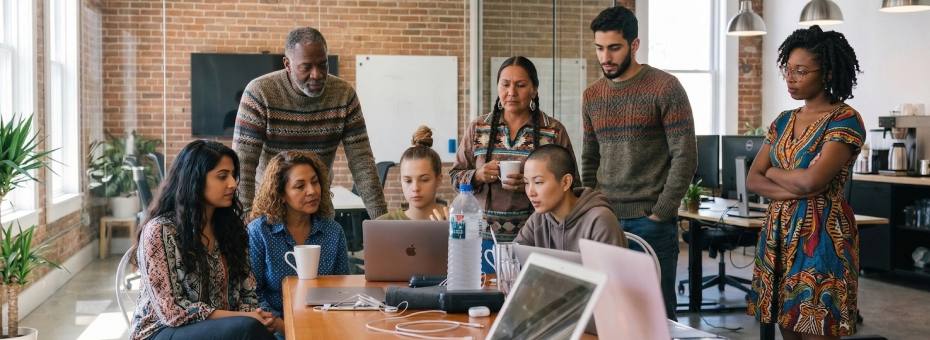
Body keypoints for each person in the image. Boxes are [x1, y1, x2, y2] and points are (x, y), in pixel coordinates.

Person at [746, 25, 865, 340]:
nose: (791, 78)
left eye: (801, 71)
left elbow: (815, 180)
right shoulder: (783, 121)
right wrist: (793, 181)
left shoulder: (844, 119)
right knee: (787, 327)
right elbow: (753, 179)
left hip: (822, 236)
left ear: (826, 73)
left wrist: (775, 171)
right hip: (778, 235)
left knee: (816, 328)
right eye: (788, 70)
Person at [582, 6, 697, 320]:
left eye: (614, 48)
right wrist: (592, 207)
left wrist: (662, 211)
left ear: (634, 45)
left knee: (655, 313)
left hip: (651, 222)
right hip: (605, 219)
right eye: (599, 48)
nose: (605, 57)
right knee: (608, 310)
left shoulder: (665, 87)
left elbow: (685, 155)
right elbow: (590, 158)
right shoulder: (592, 95)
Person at [233, 27, 387, 219]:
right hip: (269, 211)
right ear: (287, 64)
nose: (317, 74)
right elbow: (243, 164)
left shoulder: (344, 95)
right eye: (306, 67)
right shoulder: (259, 93)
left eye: (323, 65)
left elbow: (362, 161)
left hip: (317, 211)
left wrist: (381, 221)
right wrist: (246, 222)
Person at [130, 140, 275, 340]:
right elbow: (172, 311)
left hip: (223, 329)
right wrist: (244, 317)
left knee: (253, 327)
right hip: (160, 332)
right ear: (195, 180)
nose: (233, 183)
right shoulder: (161, 230)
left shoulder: (232, 228)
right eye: (222, 176)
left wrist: (252, 313)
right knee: (248, 329)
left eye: (233, 175)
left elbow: (246, 292)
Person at [450, 56, 577, 257]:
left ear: (534, 89)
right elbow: (455, 177)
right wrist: (478, 175)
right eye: (505, 84)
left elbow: (572, 186)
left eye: (521, 85)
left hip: (538, 238)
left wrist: (529, 184)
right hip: (481, 237)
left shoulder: (553, 130)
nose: (511, 92)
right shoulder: (478, 127)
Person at [247, 150, 350, 337]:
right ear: (281, 193)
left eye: (315, 182)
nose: (312, 191)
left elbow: (343, 289)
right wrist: (281, 325)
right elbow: (253, 293)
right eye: (300, 186)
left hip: (325, 326)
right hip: (273, 329)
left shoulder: (333, 231)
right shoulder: (260, 232)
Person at [515, 144, 627, 251]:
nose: (530, 192)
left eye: (538, 182)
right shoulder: (537, 220)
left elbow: (609, 271)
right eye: (526, 183)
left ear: (565, 182)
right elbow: (513, 259)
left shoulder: (600, 220)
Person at [377, 126, 448, 221]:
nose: (415, 188)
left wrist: (449, 234)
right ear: (401, 181)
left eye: (424, 180)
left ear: (438, 180)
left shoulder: (456, 223)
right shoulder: (383, 224)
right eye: (408, 181)